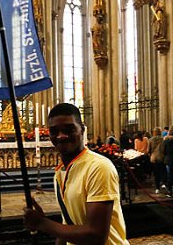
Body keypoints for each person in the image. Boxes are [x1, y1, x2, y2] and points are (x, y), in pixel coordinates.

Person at [24, 103, 129, 245]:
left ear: (82, 130)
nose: (61, 136)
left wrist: (42, 223)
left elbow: (96, 236)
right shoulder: (61, 172)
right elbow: (67, 223)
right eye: (54, 131)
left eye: (69, 129)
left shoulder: (98, 167)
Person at [148, 127, 166, 194]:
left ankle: (157, 188)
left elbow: (148, 150)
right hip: (161, 157)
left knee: (156, 173)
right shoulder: (163, 139)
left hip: (154, 158)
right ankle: (163, 183)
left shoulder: (150, 140)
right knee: (162, 171)